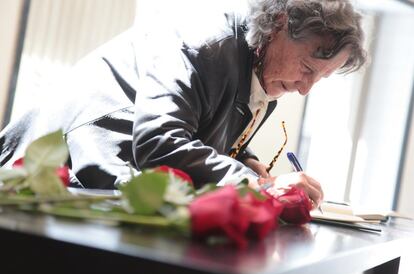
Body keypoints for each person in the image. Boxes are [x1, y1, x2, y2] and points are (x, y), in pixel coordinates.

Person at [0, 0, 366, 209]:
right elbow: (159, 140)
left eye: (321, 78)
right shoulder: (203, 44)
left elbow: (198, 115)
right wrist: (260, 185)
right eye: (307, 69)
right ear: (281, 24)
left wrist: (246, 158)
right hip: (55, 172)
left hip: (94, 177)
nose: (305, 89)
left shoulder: (261, 63)